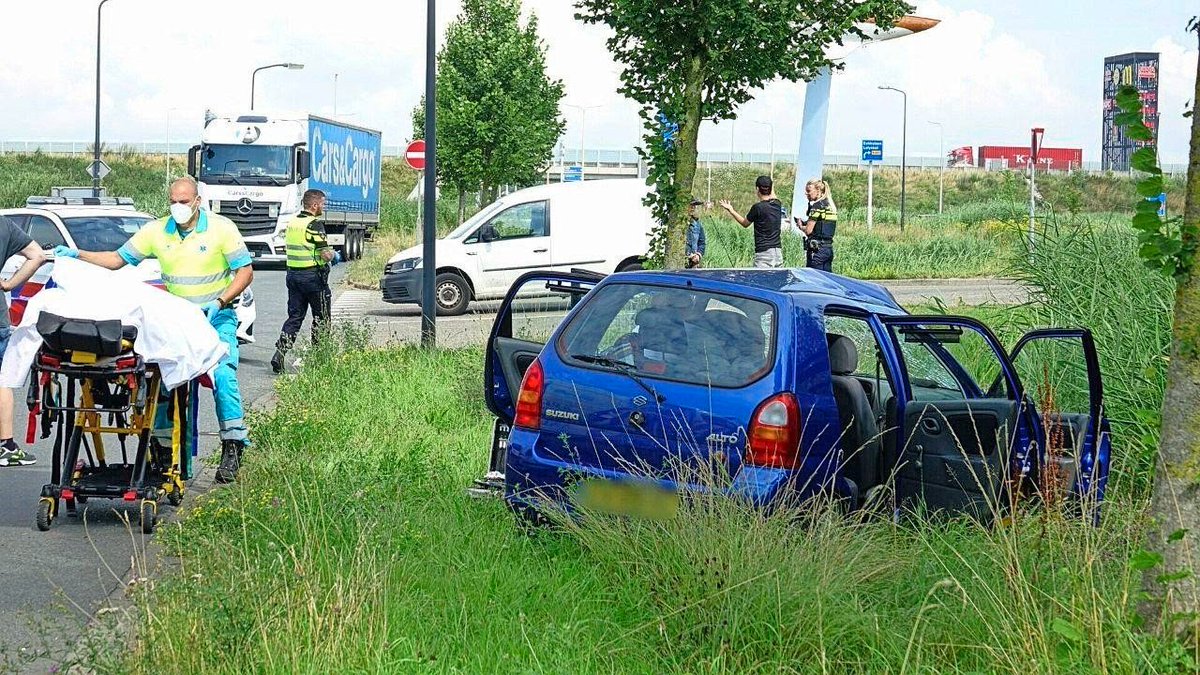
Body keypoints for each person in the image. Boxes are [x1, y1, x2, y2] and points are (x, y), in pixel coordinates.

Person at [55, 177, 254, 483]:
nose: (178, 207)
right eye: (173, 201)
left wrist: (220, 300)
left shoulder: (221, 229)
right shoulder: (157, 231)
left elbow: (245, 271)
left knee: (223, 377)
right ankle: (163, 453)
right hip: (177, 321)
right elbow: (116, 260)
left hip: (215, 316)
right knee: (163, 383)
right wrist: (77, 254)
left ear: (198, 201)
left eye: (184, 202)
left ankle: (233, 444)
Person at [271, 189, 340, 374]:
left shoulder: (293, 222)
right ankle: (319, 359)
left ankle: (280, 353)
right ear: (314, 205)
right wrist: (334, 255)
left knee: (294, 317)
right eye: (323, 204)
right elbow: (325, 254)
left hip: (293, 276)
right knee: (321, 318)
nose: (323, 208)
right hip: (313, 278)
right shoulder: (314, 224)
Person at [0, 217, 48, 466]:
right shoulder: (4, 226)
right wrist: (8, 285)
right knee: (1, 380)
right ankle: (5, 445)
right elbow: (37, 256)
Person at [718, 175, 783, 268]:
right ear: (771, 188)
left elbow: (745, 223)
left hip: (764, 254)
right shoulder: (777, 204)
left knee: (758, 282)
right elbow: (773, 194)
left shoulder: (757, 208)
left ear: (757, 189)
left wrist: (731, 210)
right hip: (778, 253)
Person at [795, 179, 838, 272]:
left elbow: (808, 231)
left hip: (817, 250)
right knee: (827, 282)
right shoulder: (830, 205)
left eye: (809, 191)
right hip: (828, 249)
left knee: (813, 281)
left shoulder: (817, 206)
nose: (806, 194)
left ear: (818, 190)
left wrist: (800, 226)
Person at [686, 198, 707, 269]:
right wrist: (688, 255)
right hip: (680, 263)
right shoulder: (677, 226)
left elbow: (702, 243)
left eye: (695, 205)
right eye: (691, 205)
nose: (693, 207)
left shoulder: (697, 224)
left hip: (693, 264)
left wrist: (698, 255)